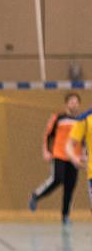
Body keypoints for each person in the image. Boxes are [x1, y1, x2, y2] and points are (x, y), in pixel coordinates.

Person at [30, 92, 82, 222]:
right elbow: (48, 135)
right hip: (59, 154)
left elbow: (85, 140)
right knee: (57, 178)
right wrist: (46, 151)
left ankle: (65, 215)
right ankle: (36, 195)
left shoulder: (81, 120)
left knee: (70, 186)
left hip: (74, 158)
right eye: (71, 101)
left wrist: (83, 156)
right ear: (66, 103)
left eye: (76, 102)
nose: (74, 104)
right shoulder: (58, 117)